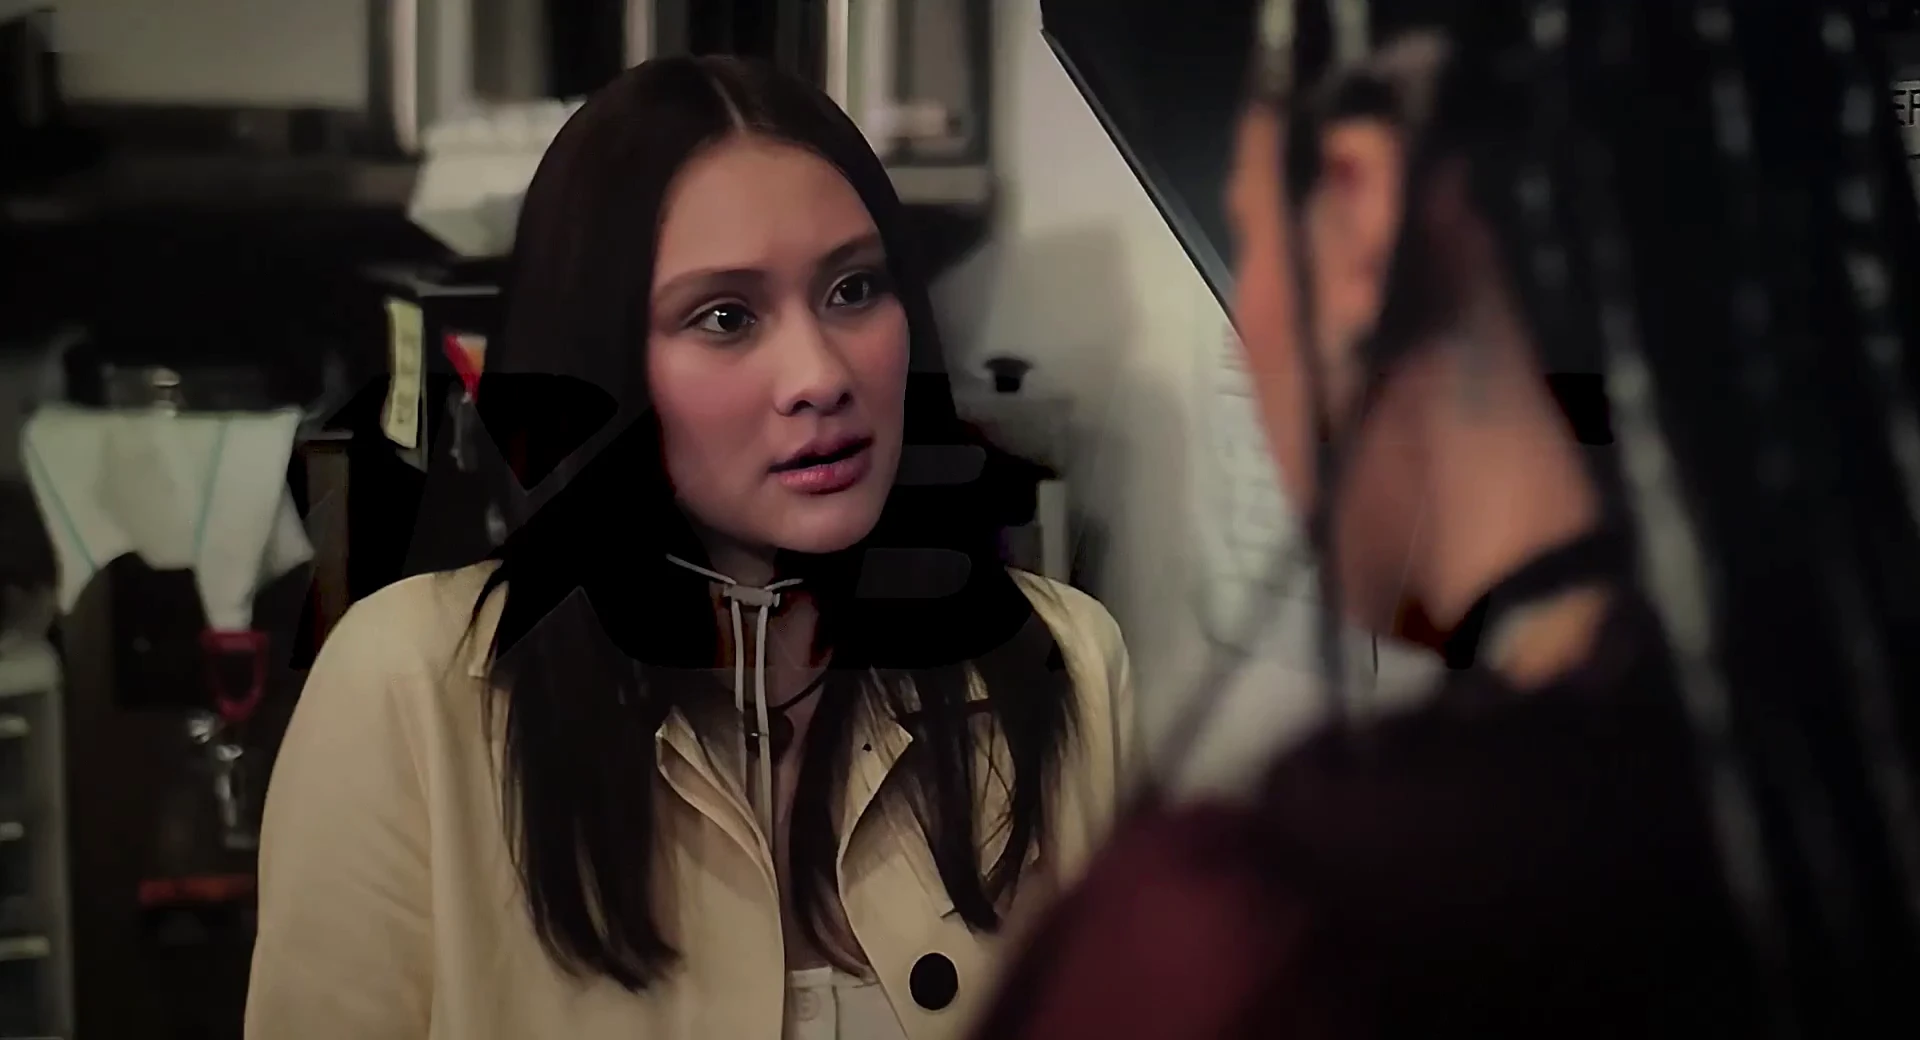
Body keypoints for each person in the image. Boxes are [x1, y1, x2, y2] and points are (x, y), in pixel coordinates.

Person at [967, 0, 1920, 1034]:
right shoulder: (1844, 794)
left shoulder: (1253, 944)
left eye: (1249, 229)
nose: (1250, 326)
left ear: (1362, 213)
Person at [245, 56, 1136, 1040]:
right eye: (726, 316)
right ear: (604, 362)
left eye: (852, 288)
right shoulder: (411, 687)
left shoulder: (1060, 661)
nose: (819, 374)